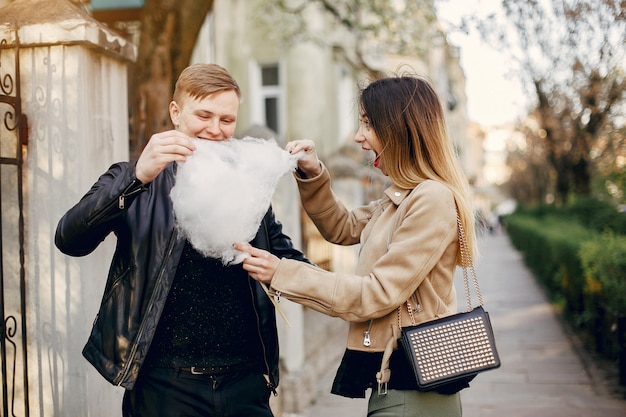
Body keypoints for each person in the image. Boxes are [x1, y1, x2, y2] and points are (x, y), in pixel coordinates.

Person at [55, 63, 310, 417]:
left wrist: (278, 266)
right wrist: (138, 179)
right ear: (176, 113)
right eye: (204, 115)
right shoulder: (133, 178)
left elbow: (296, 266)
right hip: (165, 387)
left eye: (227, 120)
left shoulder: (246, 189)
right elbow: (70, 239)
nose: (215, 130)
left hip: (245, 385)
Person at [236, 73, 477, 417]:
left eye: (368, 124)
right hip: (397, 384)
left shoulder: (431, 199)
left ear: (399, 129)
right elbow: (343, 227)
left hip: (413, 391)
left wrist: (282, 273)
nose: (358, 137)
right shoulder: (404, 195)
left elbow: (375, 295)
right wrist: (313, 172)